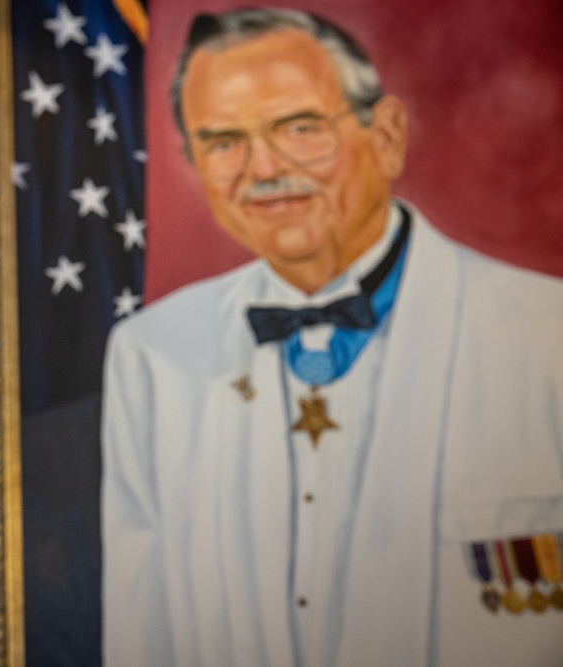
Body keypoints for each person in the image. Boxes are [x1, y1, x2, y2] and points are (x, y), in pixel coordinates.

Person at [101, 8, 563, 666]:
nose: (263, 167)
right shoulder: (150, 356)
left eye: (299, 127)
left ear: (388, 136)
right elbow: (140, 640)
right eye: (223, 140)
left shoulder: (549, 337)